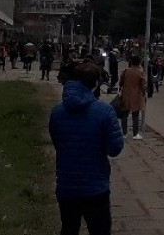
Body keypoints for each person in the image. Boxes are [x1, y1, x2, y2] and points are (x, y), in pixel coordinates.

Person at [48, 61, 124, 235]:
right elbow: (115, 149)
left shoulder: (57, 112)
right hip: (95, 186)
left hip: (66, 184)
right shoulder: (105, 111)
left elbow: (58, 142)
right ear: (95, 83)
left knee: (68, 228)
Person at [118, 56, 147, 139]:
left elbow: (120, 83)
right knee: (135, 115)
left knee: (124, 115)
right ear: (139, 63)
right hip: (136, 96)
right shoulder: (140, 73)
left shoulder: (126, 71)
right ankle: (135, 134)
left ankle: (124, 133)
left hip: (125, 95)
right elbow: (143, 85)